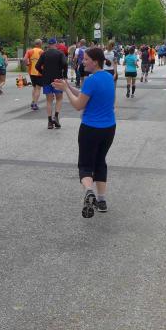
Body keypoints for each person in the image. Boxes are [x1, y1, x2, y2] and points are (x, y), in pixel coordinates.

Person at [52, 47, 115, 218]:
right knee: (100, 161)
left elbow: (79, 105)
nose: (83, 62)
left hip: (90, 128)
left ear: (95, 61)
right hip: (109, 128)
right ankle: (101, 200)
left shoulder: (91, 80)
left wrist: (65, 90)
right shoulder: (109, 77)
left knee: (86, 165)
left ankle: (88, 191)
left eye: (86, 59)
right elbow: (85, 95)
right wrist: (68, 86)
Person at [36, 38, 67, 129]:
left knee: (49, 100)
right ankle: (56, 117)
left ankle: (49, 122)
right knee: (59, 98)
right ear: (56, 44)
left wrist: (43, 73)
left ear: (48, 44)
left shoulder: (44, 54)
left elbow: (37, 66)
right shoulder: (60, 53)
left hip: (46, 79)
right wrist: (64, 75)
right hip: (57, 79)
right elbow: (65, 63)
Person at [23, 39, 44, 111]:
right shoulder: (42, 52)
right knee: (38, 88)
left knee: (34, 87)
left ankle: (33, 101)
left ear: (35, 44)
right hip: (39, 72)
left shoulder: (29, 51)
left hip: (31, 72)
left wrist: (27, 64)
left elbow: (24, 59)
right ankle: (35, 104)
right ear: (40, 44)